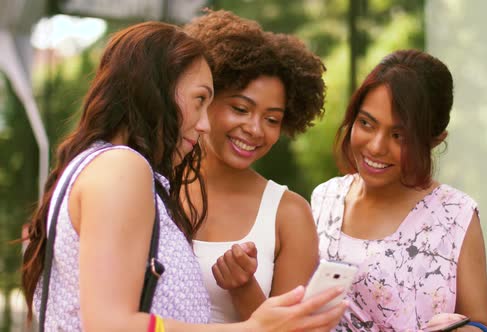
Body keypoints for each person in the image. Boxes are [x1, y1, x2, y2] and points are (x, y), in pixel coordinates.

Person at [20, 21, 346, 331]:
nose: (202, 123)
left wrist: (246, 293)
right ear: (158, 90)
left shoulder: (120, 169)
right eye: (200, 100)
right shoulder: (123, 169)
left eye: (273, 118)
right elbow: (111, 324)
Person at [311, 49, 487, 331]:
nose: (375, 146)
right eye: (366, 124)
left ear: (434, 140)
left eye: (399, 136)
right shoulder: (324, 199)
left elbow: (482, 325)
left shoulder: (455, 215)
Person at [183, 10, 327, 323]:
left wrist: (243, 288)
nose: (255, 129)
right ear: (206, 97)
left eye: (272, 119)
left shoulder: (289, 215)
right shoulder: (155, 186)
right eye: (240, 108)